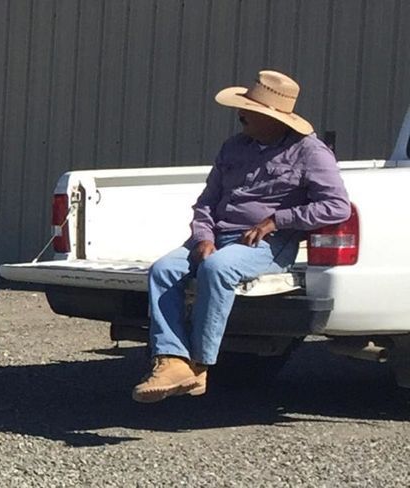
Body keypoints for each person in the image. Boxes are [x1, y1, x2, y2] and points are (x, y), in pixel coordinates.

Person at [132, 71, 351, 403]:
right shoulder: (234, 146)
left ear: (272, 117)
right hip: (215, 236)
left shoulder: (310, 152)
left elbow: (337, 207)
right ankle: (170, 362)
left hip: (266, 245)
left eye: (248, 110)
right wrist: (203, 236)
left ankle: (199, 365)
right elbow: (207, 201)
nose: (241, 115)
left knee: (217, 269)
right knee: (163, 269)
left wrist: (278, 220)